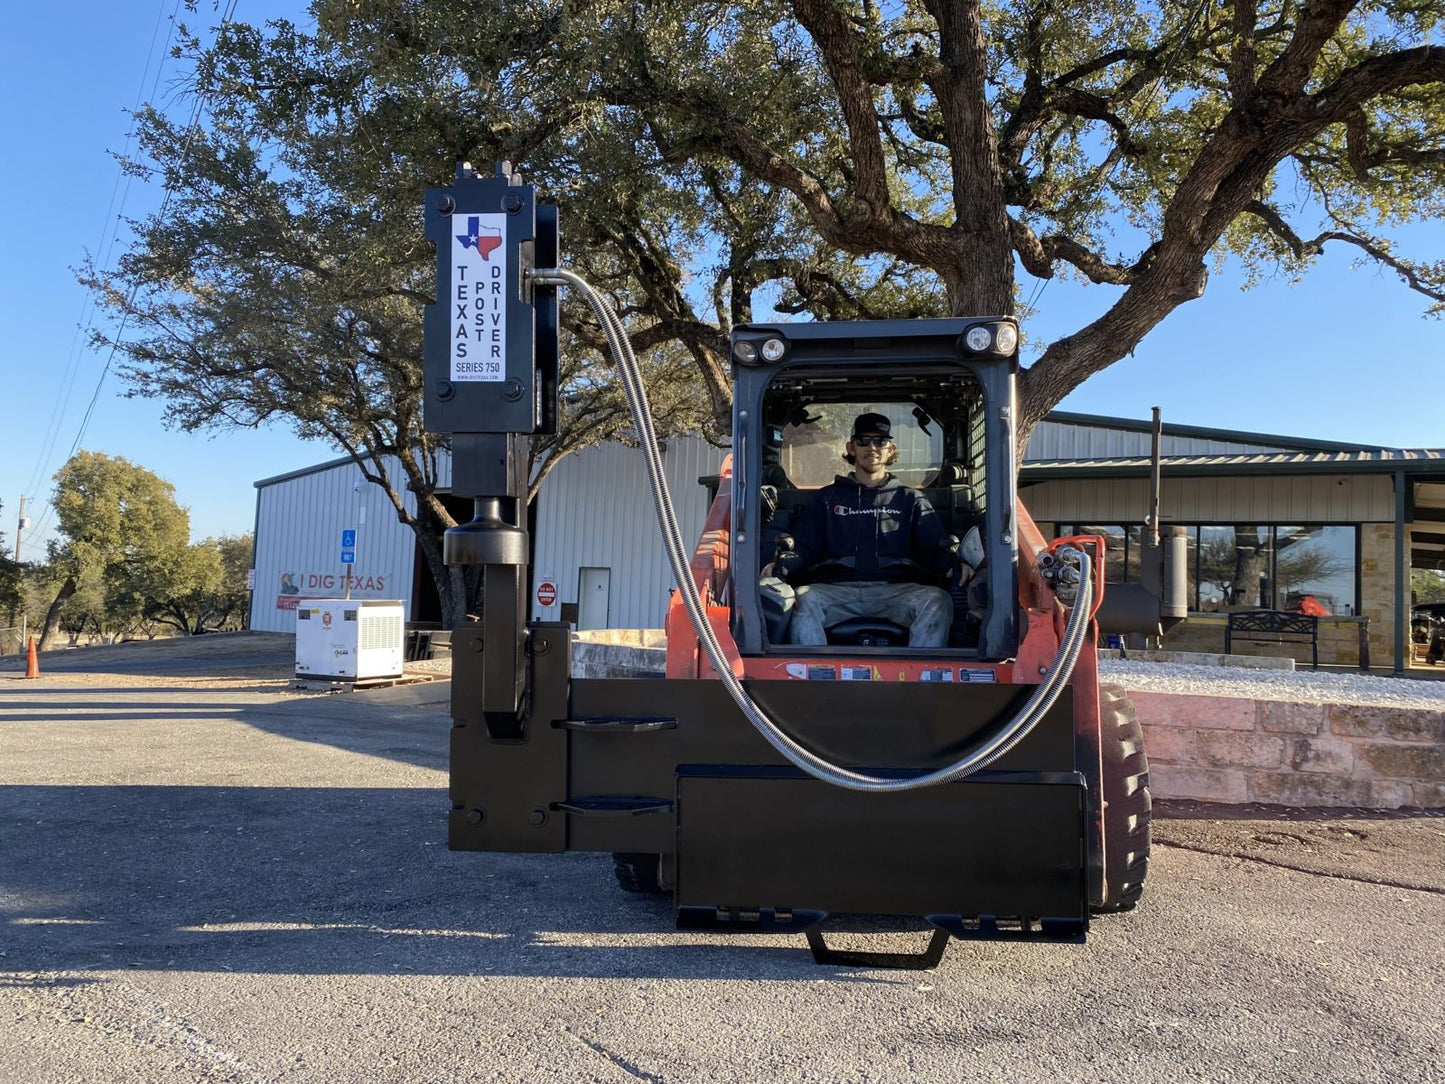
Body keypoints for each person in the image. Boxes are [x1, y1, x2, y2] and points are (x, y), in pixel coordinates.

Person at [767, 412, 964, 647]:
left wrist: (957, 564)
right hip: (837, 590)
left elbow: (935, 549)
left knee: (938, 600)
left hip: (897, 591)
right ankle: (817, 679)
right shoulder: (828, 498)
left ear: (891, 449)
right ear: (851, 447)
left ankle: (921, 682)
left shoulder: (911, 499)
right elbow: (803, 547)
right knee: (802, 599)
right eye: (863, 441)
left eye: (880, 441)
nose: (872, 447)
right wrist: (781, 564)